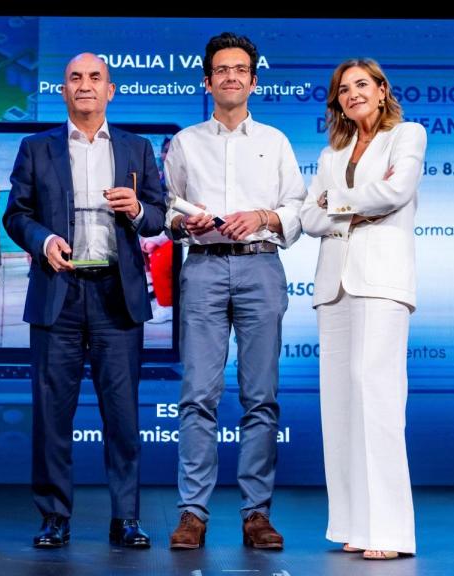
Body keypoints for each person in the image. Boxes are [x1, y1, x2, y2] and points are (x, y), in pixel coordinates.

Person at [2, 53, 166, 549]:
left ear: (110, 90)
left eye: (95, 77)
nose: (86, 85)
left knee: (123, 415)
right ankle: (54, 516)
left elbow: (158, 218)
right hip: (60, 294)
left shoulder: (137, 148)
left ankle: (127, 519)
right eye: (75, 78)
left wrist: (138, 208)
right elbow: (16, 215)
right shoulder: (36, 148)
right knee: (53, 414)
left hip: (118, 295)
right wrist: (44, 241)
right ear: (64, 90)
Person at [164, 32, 306, 551]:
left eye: (240, 69)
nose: (231, 76)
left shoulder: (276, 142)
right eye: (221, 69)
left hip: (260, 268)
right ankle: (193, 514)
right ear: (207, 80)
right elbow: (166, 209)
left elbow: (298, 209)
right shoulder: (184, 142)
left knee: (260, 397)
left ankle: (256, 514)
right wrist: (185, 225)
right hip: (202, 268)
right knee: (198, 396)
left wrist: (264, 215)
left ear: (252, 80)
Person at [300, 57, 427, 560]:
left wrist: (339, 203)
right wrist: (354, 205)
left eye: (361, 85)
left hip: (381, 282)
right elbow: (309, 216)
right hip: (335, 285)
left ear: (380, 90)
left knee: (377, 400)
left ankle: (390, 531)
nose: (352, 94)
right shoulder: (332, 152)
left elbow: (397, 191)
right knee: (341, 407)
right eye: (343, 89)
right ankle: (355, 523)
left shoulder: (408, 135)